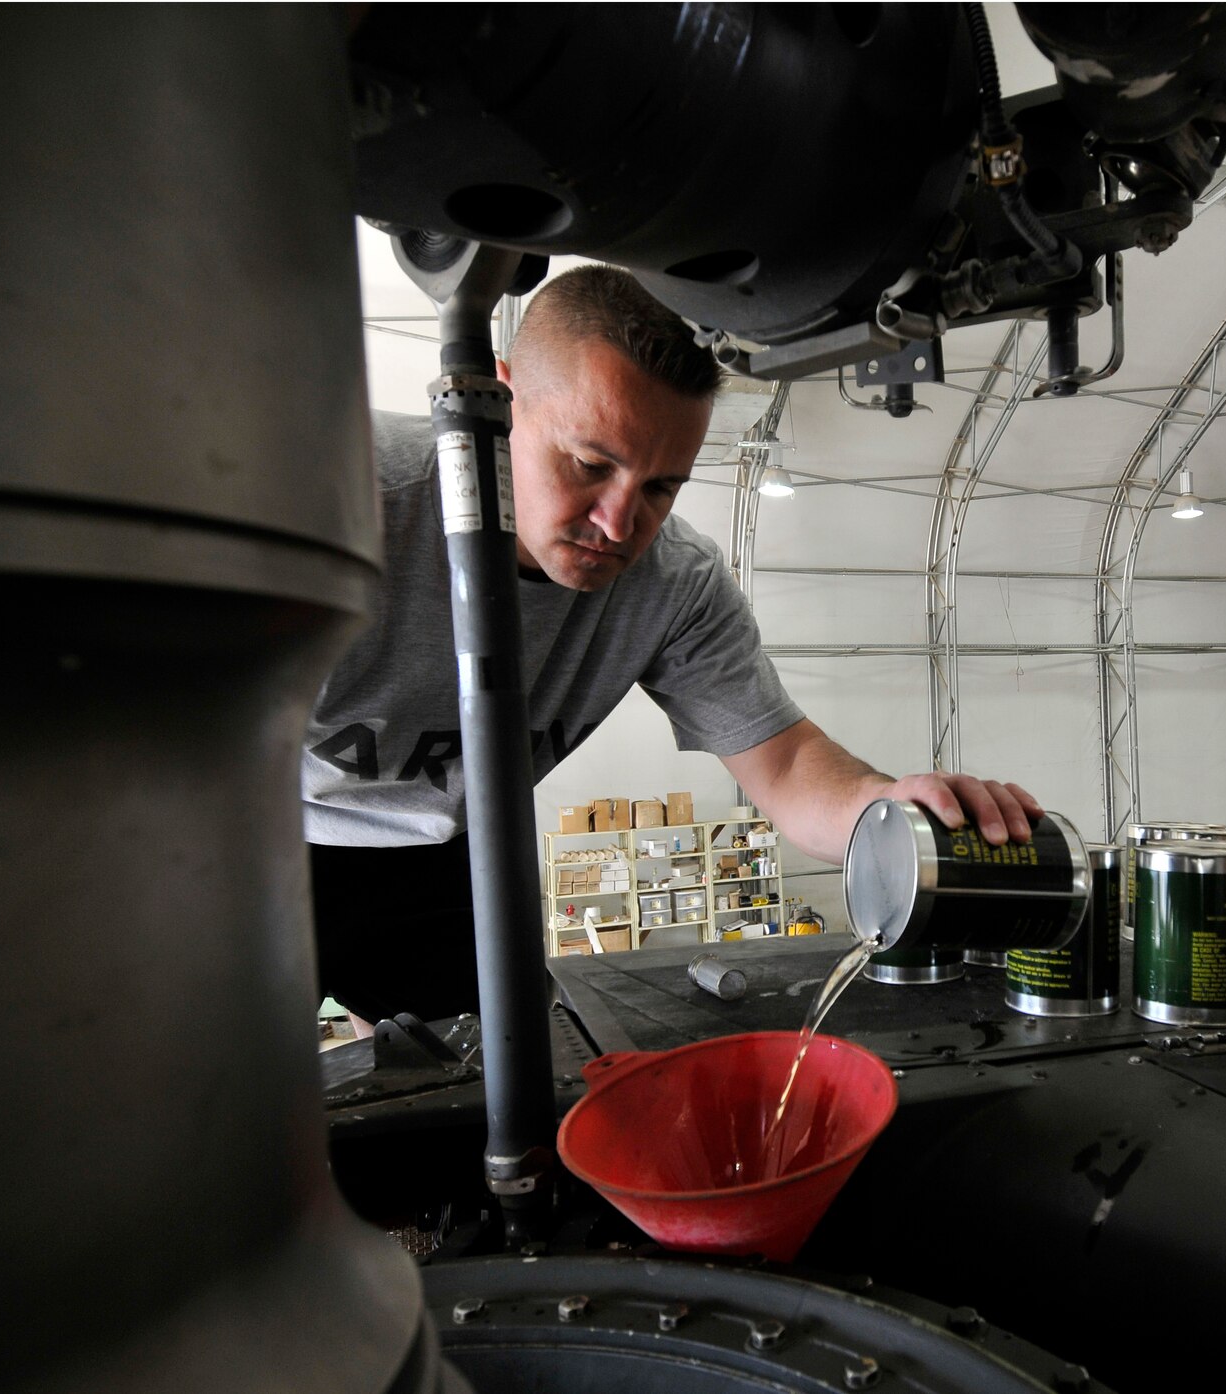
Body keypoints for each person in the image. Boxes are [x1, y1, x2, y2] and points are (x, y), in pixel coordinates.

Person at [306, 265, 1040, 1024]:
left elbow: (785, 764)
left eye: (662, 487)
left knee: (488, 1101)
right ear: (497, 403)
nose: (620, 525)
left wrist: (883, 807)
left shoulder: (674, 582)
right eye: (590, 466)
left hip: (461, 852)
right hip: (270, 844)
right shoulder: (341, 502)